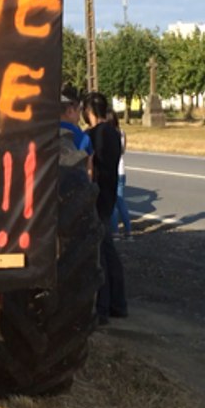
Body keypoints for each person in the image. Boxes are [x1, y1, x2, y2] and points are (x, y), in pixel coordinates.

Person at [83, 91, 127, 324]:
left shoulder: (90, 135)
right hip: (109, 194)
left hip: (95, 195)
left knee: (99, 252)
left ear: (88, 111)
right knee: (108, 249)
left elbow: (89, 166)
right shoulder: (115, 133)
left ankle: (103, 307)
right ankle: (118, 304)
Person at [105, 111, 132, 241]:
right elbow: (123, 151)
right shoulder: (122, 133)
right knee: (121, 201)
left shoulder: (107, 134)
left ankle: (115, 231)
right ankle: (128, 231)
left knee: (112, 203)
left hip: (111, 170)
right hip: (122, 169)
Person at [59, 85, 91, 171]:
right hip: (74, 182)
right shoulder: (83, 138)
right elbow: (89, 170)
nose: (79, 118)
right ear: (70, 111)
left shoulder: (44, 132)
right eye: (78, 111)